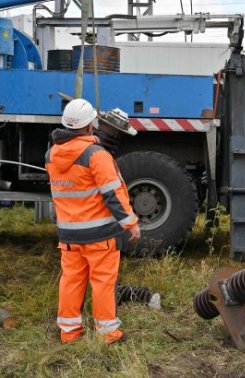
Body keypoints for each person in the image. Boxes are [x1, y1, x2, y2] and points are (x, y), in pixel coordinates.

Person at [45, 98, 141, 344]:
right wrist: (131, 223)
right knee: (102, 283)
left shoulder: (51, 155)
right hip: (100, 235)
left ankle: (68, 332)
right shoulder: (96, 155)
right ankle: (107, 333)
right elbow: (113, 194)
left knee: (71, 281)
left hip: (68, 235)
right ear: (91, 126)